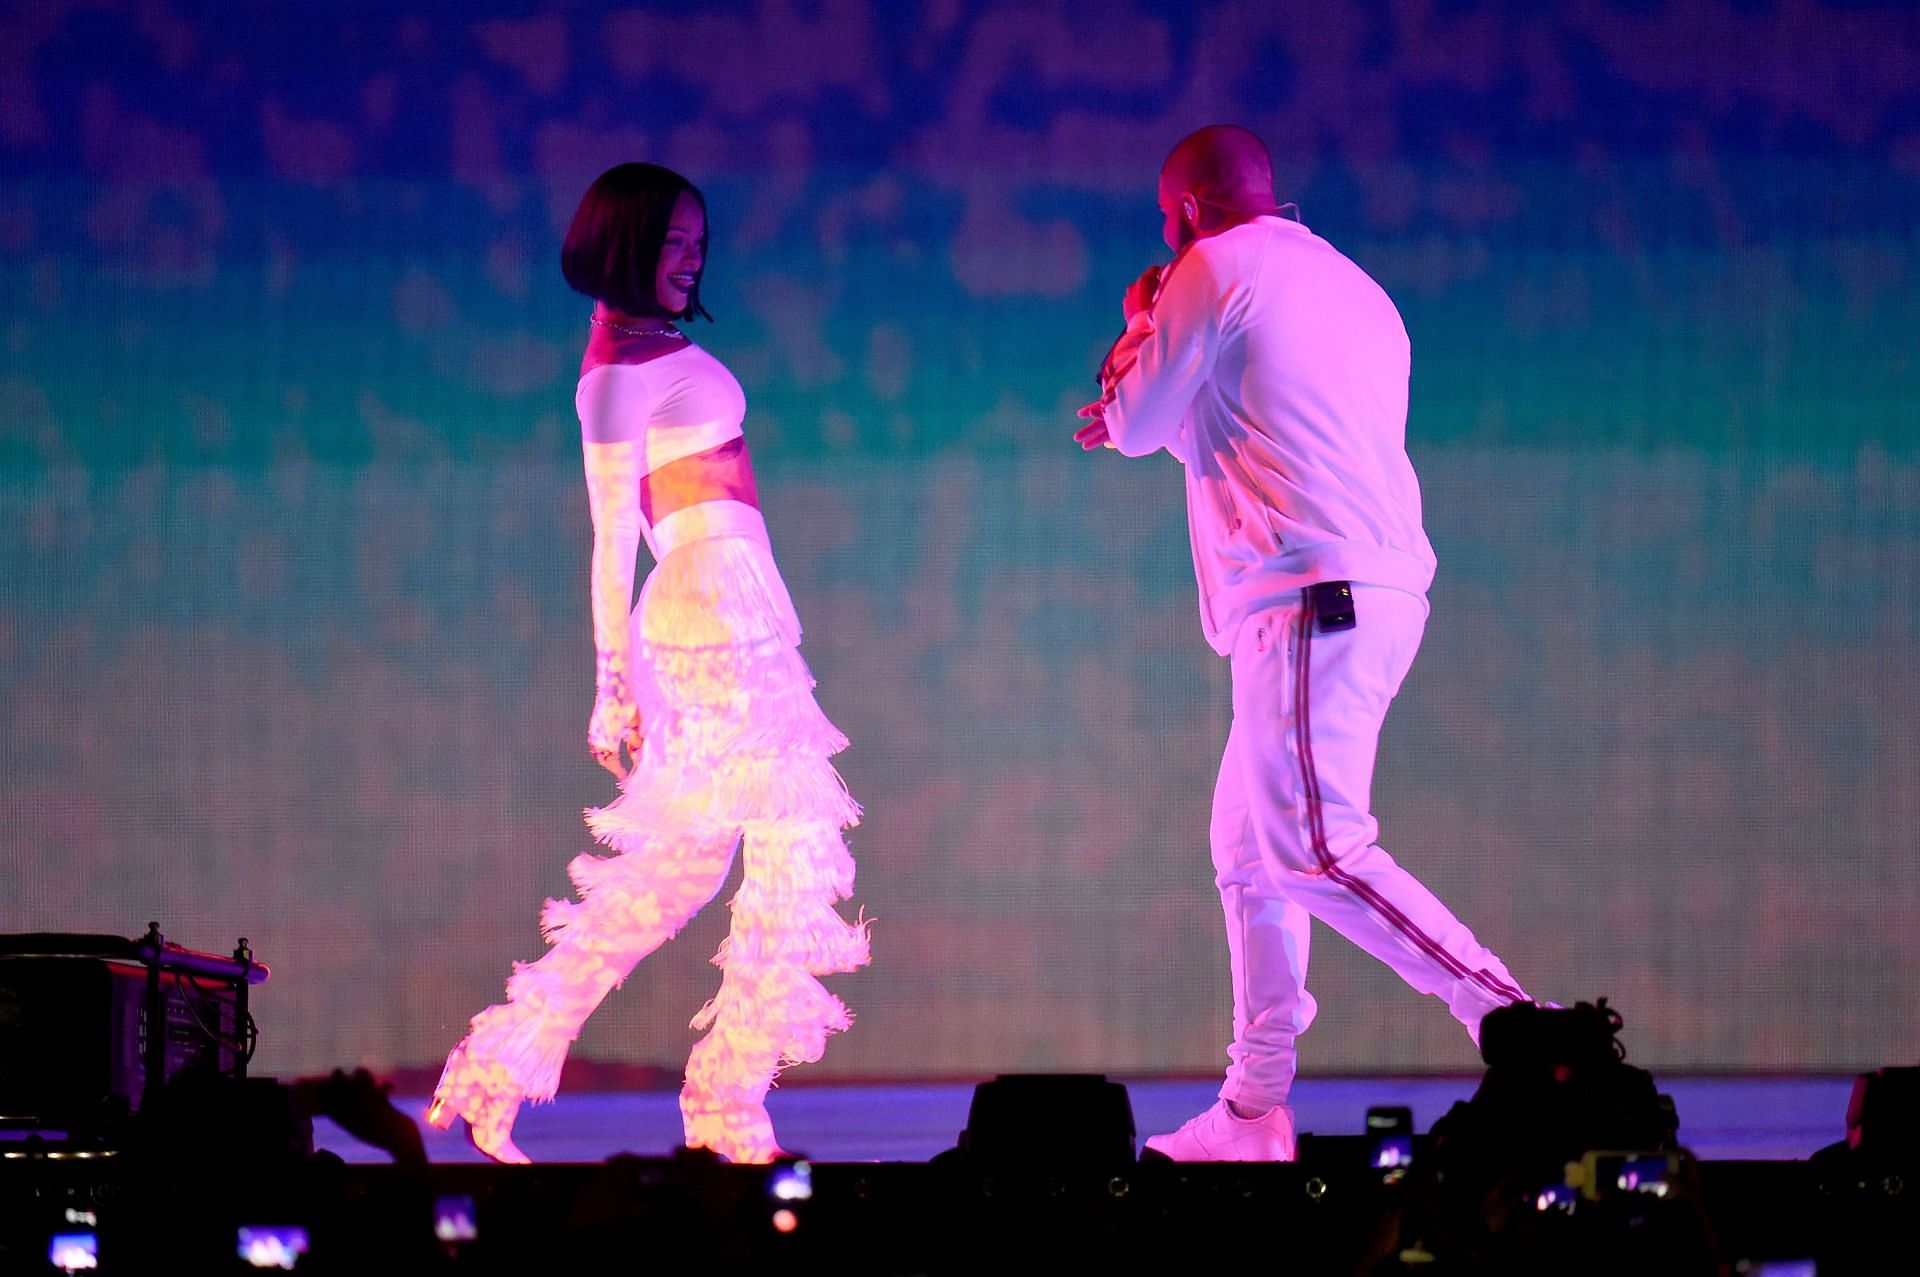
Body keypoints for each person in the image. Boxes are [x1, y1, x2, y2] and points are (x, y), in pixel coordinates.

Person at [1075, 126, 1533, 1161]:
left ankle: (1521, 1022)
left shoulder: (1212, 267)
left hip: (1308, 596)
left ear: (1187, 210)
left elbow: (1144, 421)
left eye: (1168, 221)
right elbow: (1243, 423)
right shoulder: (1355, 287)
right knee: (1249, 849)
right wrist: (1146, 381)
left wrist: (1143, 325)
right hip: (1367, 590)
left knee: (1315, 846)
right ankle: (1253, 1107)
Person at [428, 162, 870, 1165]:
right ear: (624, 242)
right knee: (792, 845)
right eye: (673, 242)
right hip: (707, 614)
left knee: (676, 872)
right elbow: (607, 537)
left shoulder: (647, 353)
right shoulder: (616, 375)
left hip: (731, 601)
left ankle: (497, 1067)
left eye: (698, 243)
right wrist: (610, 686)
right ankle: (726, 1107)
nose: (691, 259)